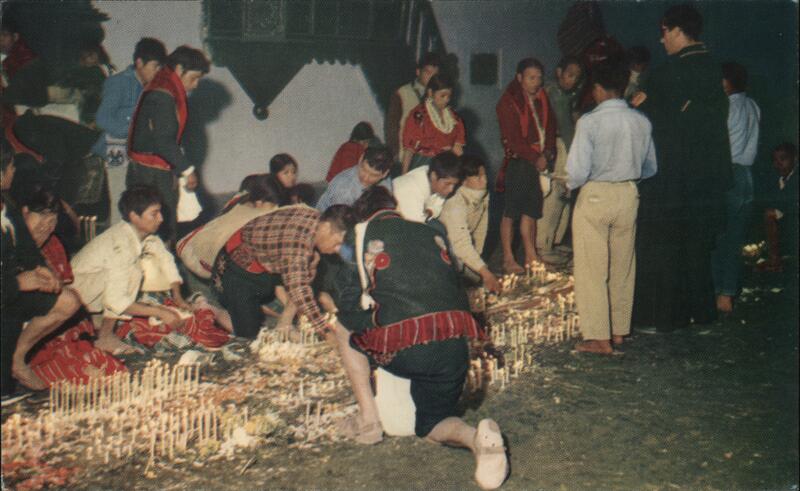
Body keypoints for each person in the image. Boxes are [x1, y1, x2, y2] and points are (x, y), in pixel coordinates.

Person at [330, 197, 508, 490]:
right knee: (430, 426)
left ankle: (369, 421)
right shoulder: (432, 232)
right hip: (455, 346)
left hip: (408, 346)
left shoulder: (361, 235)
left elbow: (348, 302)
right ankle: (477, 439)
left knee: (343, 325)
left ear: (363, 218)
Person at [631, 4, 732, 331]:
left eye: (664, 33)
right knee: (697, 248)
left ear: (676, 31)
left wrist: (642, 107)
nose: (661, 42)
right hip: (709, 179)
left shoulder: (668, 71)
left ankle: (665, 318)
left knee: (664, 247)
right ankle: (700, 312)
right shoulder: (713, 68)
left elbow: (655, 124)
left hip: (674, 179)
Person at [566, 59, 657, 354]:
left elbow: (577, 171)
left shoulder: (590, 121)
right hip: (629, 194)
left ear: (598, 90)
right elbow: (651, 167)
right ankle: (619, 330)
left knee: (592, 268)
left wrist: (566, 185)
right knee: (623, 265)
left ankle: (598, 337)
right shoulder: (641, 121)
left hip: (596, 195)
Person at [68, 186, 185, 354]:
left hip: (92, 288)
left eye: (159, 212)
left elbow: (166, 259)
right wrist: (160, 312)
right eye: (154, 214)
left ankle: (101, 327)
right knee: (133, 273)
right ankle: (105, 336)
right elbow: (116, 300)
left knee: (131, 274)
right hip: (76, 291)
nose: (160, 218)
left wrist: (178, 296)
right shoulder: (121, 245)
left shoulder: (142, 234)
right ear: (134, 217)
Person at [2, 148, 82, 392]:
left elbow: (26, 248)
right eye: (11, 167)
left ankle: (16, 358)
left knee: (67, 301)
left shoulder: (8, 207)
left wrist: (41, 269)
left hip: (7, 297)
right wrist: (18, 283)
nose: (14, 171)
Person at [212, 204, 349, 338]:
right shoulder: (297, 245)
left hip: (265, 263)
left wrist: (288, 317)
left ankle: (284, 321)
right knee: (249, 334)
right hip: (234, 271)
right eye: (337, 243)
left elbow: (302, 279)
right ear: (326, 227)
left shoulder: (316, 219)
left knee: (311, 264)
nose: (338, 250)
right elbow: (299, 289)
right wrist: (326, 332)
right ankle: (209, 307)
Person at [127, 45, 208, 244]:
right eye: (194, 78)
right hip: (152, 174)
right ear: (179, 69)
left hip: (146, 169)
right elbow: (163, 141)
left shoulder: (161, 84)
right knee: (161, 229)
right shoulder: (164, 94)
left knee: (147, 229)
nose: (196, 85)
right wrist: (187, 169)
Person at [93, 38, 167, 225]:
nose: (158, 72)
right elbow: (103, 119)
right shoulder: (119, 82)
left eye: (161, 67)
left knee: (143, 202)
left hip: (140, 151)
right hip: (115, 146)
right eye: (155, 66)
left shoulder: (153, 87)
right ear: (139, 62)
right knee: (122, 200)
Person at [496, 58, 557, 273]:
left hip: (538, 160)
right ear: (519, 78)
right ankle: (508, 258)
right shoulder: (508, 102)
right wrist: (534, 158)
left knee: (531, 211)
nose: (536, 82)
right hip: (519, 162)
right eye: (531, 78)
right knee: (511, 211)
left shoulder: (542, 98)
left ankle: (531, 255)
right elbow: (513, 140)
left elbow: (550, 128)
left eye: (539, 78)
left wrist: (548, 151)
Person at [711, 62, 760, 313]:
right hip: (747, 176)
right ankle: (728, 292)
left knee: (720, 237)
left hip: (728, 172)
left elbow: (723, 144)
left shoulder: (728, 106)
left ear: (727, 82)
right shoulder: (753, 105)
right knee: (736, 238)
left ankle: (721, 293)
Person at [539, 56, 583, 264]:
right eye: (569, 75)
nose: (572, 80)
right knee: (553, 196)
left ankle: (555, 241)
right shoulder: (549, 92)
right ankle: (543, 246)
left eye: (576, 77)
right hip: (556, 145)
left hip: (568, 145)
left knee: (566, 195)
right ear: (559, 72)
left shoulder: (570, 94)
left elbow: (572, 119)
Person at [439, 155, 500, 292]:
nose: (484, 181)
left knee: (477, 280)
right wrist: (485, 272)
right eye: (478, 177)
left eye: (485, 175)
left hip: (461, 247)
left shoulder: (482, 194)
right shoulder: (455, 204)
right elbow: (460, 244)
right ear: (464, 181)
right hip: (444, 248)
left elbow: (480, 230)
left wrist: (478, 265)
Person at [401, 73, 465, 174]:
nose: (446, 100)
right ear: (430, 92)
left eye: (449, 96)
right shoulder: (419, 115)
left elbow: (458, 150)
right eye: (442, 96)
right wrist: (404, 175)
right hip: (423, 166)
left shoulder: (454, 118)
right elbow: (409, 150)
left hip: (447, 166)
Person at [385, 53, 442, 164]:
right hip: (404, 155)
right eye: (428, 73)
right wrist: (394, 153)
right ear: (418, 72)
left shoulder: (440, 98)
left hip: (430, 157)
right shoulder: (402, 93)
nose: (431, 78)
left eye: (435, 75)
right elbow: (392, 126)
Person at [392, 151, 463, 224]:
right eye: (447, 184)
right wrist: (428, 213)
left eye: (454, 184)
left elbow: (436, 207)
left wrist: (429, 212)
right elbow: (415, 227)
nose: (451, 189)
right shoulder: (411, 190)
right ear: (433, 176)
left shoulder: (433, 176)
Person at [317, 145, 393, 211]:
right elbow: (340, 222)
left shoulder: (386, 184)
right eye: (364, 169)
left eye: (373, 175)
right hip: (330, 219)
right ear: (360, 159)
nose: (365, 178)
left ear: (385, 174)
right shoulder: (343, 186)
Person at [760, 143, 798, 272]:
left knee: (771, 214)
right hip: (787, 217)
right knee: (769, 214)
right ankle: (774, 259)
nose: (779, 164)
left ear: (795, 159)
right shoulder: (775, 177)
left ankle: (775, 260)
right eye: (775, 160)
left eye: (783, 159)